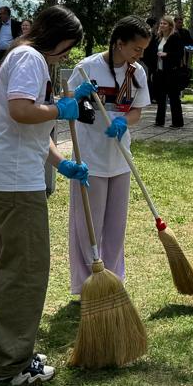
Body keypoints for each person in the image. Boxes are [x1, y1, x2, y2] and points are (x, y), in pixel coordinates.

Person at [0, 6, 89, 386]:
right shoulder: (31, 58)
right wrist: (60, 108)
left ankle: (6, 349)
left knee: (10, 268)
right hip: (13, 183)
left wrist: (62, 163)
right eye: (67, 46)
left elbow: (31, 131)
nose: (67, 55)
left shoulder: (25, 57)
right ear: (55, 38)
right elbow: (21, 111)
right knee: (25, 271)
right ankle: (10, 363)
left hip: (2, 176)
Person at [68, 17, 151, 294]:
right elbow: (67, 103)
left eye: (143, 50)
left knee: (116, 225)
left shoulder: (137, 73)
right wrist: (79, 97)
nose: (140, 55)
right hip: (90, 158)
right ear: (119, 43)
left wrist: (124, 121)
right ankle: (86, 285)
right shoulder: (86, 68)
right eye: (136, 49)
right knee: (87, 225)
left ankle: (113, 280)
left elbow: (137, 111)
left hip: (120, 158)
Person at [153, 15, 187, 128]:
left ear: (170, 26)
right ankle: (159, 121)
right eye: (161, 23)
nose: (162, 25)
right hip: (160, 71)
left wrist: (166, 54)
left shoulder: (175, 37)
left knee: (174, 97)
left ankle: (177, 122)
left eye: (165, 23)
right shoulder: (159, 38)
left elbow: (179, 54)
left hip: (172, 72)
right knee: (161, 97)